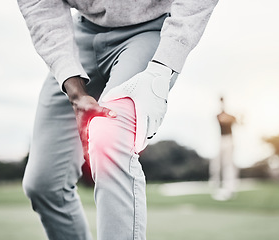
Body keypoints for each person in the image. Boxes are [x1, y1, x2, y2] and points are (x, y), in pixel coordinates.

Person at [17, 0, 219, 239]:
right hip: (82, 32)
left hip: (150, 30)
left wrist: (162, 70)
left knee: (109, 138)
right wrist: (72, 85)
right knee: (44, 184)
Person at [209, 97, 239, 201]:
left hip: (229, 140)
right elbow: (222, 120)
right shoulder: (219, 115)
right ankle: (215, 185)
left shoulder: (231, 116)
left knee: (228, 164)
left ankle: (230, 188)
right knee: (216, 164)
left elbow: (237, 122)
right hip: (221, 140)